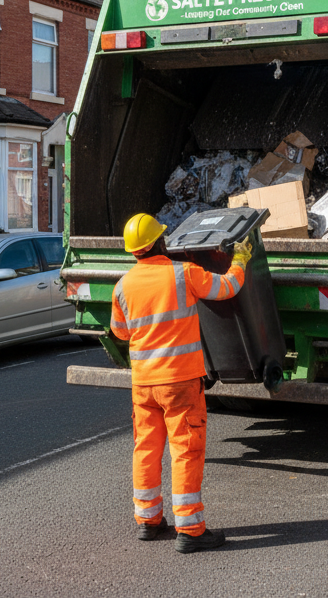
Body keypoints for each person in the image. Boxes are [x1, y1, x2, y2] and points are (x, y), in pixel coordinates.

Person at [110, 212, 253, 553]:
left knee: (146, 448)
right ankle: (190, 529)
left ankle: (148, 521)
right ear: (161, 242)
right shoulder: (183, 274)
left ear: (134, 252)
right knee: (185, 450)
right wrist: (241, 261)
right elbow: (226, 288)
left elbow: (120, 331)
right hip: (180, 383)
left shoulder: (122, 286)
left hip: (143, 386)